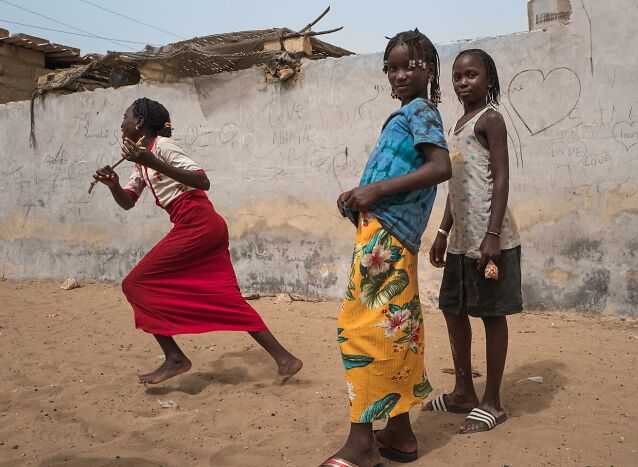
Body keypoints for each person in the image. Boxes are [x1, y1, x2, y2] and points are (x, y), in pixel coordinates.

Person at [93, 97, 303, 385]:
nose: (122, 122)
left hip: (199, 223)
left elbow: (202, 181)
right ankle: (285, 359)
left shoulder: (161, 148)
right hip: (198, 225)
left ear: (140, 123)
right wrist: (114, 185)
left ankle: (175, 358)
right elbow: (128, 202)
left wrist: (152, 160)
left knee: (135, 283)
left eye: (126, 116)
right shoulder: (140, 161)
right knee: (226, 297)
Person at [321, 30, 452, 467]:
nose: (398, 75)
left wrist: (374, 191)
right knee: (397, 329)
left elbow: (440, 167)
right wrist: (359, 197)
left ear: (428, 69)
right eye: (391, 68)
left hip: (388, 241)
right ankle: (399, 434)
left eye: (408, 66)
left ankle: (361, 447)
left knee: (360, 329)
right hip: (384, 234)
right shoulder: (404, 115)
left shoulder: (421, 111)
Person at [423, 49, 522, 434]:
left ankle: (492, 402)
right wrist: (443, 232)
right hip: (463, 240)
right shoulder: (457, 125)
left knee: (491, 315)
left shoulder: (491, 120)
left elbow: (501, 178)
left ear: (488, 79)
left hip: (490, 239)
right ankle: (463, 390)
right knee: (453, 308)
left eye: (472, 75)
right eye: (458, 76)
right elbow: (456, 186)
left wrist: (492, 235)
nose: (464, 82)